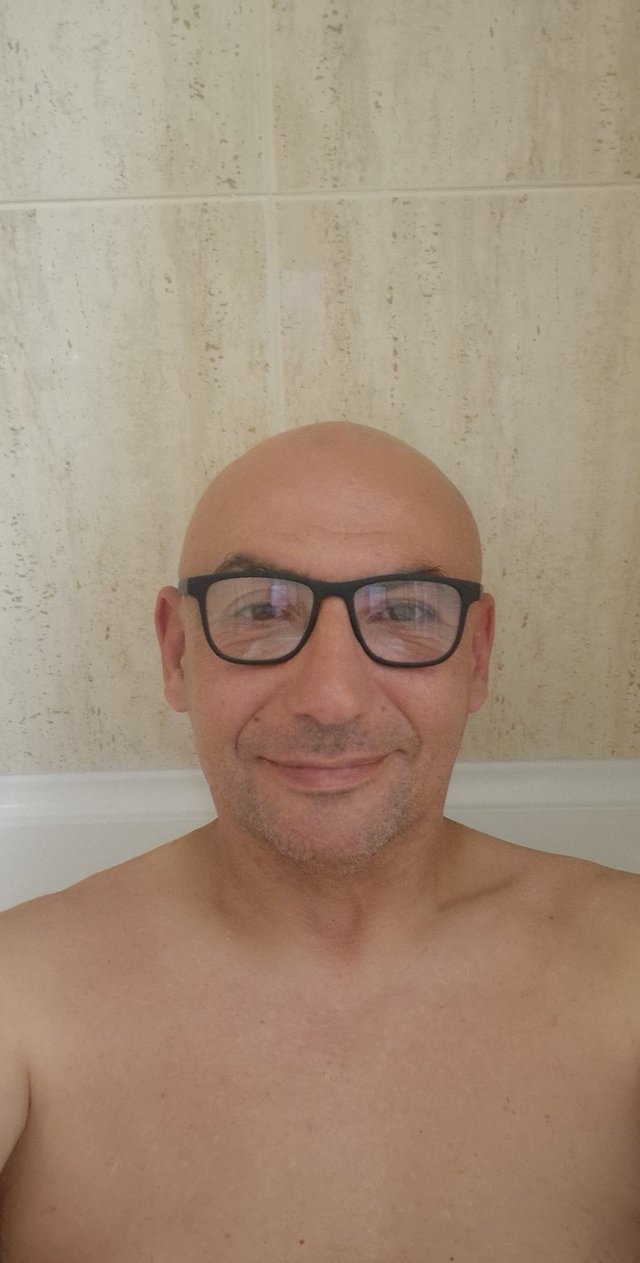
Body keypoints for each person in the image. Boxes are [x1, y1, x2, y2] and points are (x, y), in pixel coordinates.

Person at [0, 421, 638, 1261]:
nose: (330, 698)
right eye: (261, 610)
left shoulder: (625, 965)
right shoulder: (22, 997)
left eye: (404, 611)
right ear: (177, 651)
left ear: (477, 657)